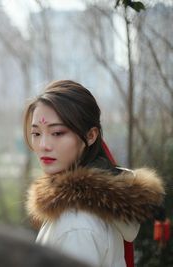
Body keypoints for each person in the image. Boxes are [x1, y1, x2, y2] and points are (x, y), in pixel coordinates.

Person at [24, 80, 165, 267]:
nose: (43, 146)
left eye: (57, 133)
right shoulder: (92, 207)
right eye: (36, 133)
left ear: (91, 136)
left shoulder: (76, 224)